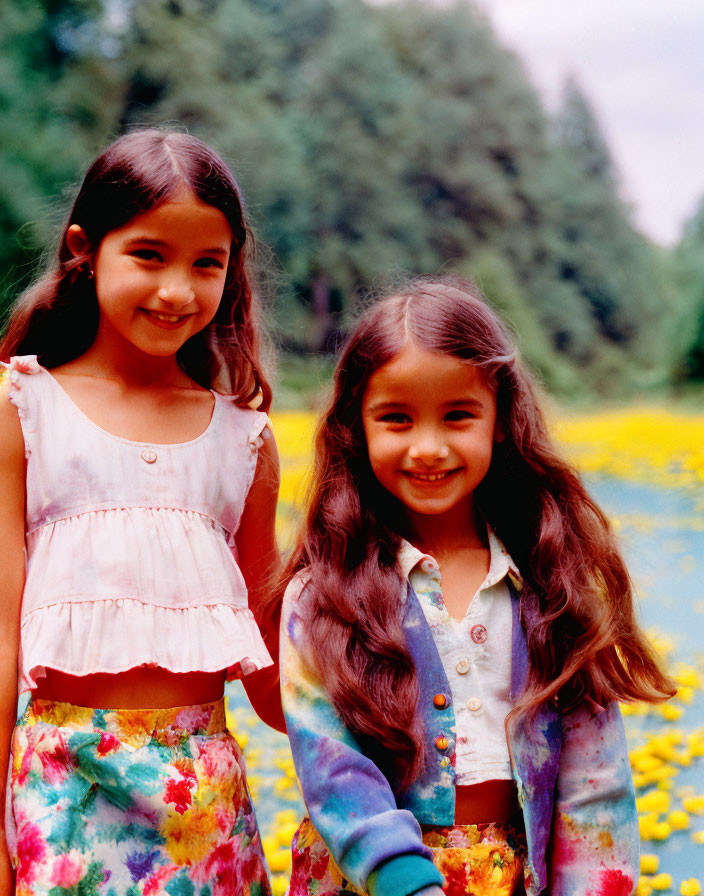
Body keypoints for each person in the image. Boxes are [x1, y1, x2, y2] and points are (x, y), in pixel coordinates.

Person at [279, 275, 675, 896]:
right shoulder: (323, 595)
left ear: (499, 420)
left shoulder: (551, 583)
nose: (428, 447)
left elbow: (596, 784)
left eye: (458, 415)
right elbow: (332, 768)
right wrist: (405, 879)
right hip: (371, 882)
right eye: (397, 419)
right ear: (357, 426)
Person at [0, 129, 284, 896]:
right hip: (62, 785)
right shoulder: (24, 409)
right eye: (149, 256)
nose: (176, 291)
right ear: (85, 250)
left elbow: (272, 650)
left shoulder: (243, 442)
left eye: (207, 265)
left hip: (204, 799)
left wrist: (392, 734)